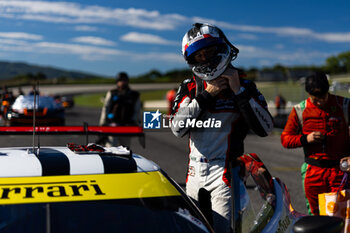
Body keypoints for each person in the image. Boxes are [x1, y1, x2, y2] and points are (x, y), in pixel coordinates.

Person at [170, 23, 273, 233]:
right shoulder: (189, 86)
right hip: (194, 170)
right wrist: (208, 95)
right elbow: (177, 128)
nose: (205, 58)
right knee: (194, 229)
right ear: (191, 59)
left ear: (222, 48)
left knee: (225, 229)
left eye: (209, 51)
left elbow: (265, 128)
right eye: (199, 55)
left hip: (227, 171)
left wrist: (239, 93)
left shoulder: (245, 85)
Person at [281, 71, 350, 216]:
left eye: (323, 97)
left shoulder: (343, 105)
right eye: (315, 99)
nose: (320, 102)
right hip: (313, 172)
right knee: (315, 217)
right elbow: (285, 139)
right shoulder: (300, 110)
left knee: (340, 216)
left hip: (340, 171)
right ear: (308, 94)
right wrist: (306, 139)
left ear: (328, 91)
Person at [98, 72, 141, 147]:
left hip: (127, 125)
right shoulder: (112, 93)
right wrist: (103, 123)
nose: (122, 82)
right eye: (120, 80)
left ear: (127, 81)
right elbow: (106, 108)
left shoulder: (134, 95)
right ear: (117, 82)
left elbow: (137, 110)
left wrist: (134, 122)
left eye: (124, 80)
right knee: (111, 148)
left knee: (125, 149)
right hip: (112, 124)